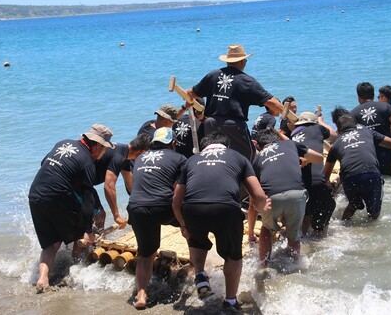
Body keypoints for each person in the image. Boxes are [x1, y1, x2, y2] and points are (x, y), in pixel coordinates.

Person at [172, 131, 270, 311]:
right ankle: (230, 301)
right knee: (233, 255)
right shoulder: (238, 157)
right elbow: (258, 195)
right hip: (225, 208)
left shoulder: (191, 161)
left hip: (193, 208)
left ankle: (200, 275)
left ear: (204, 147)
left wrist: (183, 224)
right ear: (227, 146)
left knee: (196, 241)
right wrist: (263, 208)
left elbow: (176, 201)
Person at [28, 124, 114, 293]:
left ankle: (43, 278)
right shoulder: (87, 162)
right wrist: (88, 230)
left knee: (51, 243)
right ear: (97, 145)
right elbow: (89, 197)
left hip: (35, 195)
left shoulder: (63, 142)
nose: (103, 153)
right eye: (104, 148)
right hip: (57, 197)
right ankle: (78, 269)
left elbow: (43, 162)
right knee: (80, 232)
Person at [186, 44, 283, 161]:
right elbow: (272, 103)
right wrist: (285, 113)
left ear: (228, 61)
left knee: (215, 156)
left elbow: (190, 94)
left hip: (210, 124)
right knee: (248, 157)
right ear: (243, 62)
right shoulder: (247, 81)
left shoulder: (213, 75)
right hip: (232, 125)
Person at [126, 127, 187, 309]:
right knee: (192, 229)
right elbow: (180, 190)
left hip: (136, 207)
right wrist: (184, 222)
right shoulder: (179, 158)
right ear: (173, 143)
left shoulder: (139, 158)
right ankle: (200, 274)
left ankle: (141, 295)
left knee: (146, 254)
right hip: (163, 207)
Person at [248, 129, 323, 265]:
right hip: (297, 194)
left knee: (267, 229)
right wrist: (304, 160)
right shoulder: (290, 144)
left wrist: (251, 232)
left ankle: (264, 266)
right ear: (277, 139)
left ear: (258, 145)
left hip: (272, 198)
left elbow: (254, 200)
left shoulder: (257, 160)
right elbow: (318, 158)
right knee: (294, 236)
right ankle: (295, 264)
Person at [324, 112, 391, 220]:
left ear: (338, 130)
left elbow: (326, 175)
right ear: (355, 125)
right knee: (374, 215)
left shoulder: (336, 144)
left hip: (349, 178)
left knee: (353, 205)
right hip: (372, 174)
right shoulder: (367, 131)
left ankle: (344, 225)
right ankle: (370, 231)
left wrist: (328, 185)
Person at [290, 111, 337, 238]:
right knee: (327, 208)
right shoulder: (316, 128)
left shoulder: (293, 135)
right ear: (313, 122)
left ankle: (303, 243)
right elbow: (333, 136)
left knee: (305, 216)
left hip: (297, 185)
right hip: (316, 181)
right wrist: (321, 121)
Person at [92, 134, 151, 230]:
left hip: (84, 184)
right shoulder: (119, 156)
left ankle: (93, 239)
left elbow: (130, 182)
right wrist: (116, 216)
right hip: (78, 184)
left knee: (96, 216)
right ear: (142, 152)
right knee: (98, 215)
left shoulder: (125, 154)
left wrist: (142, 203)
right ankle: (94, 241)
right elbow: (109, 187)